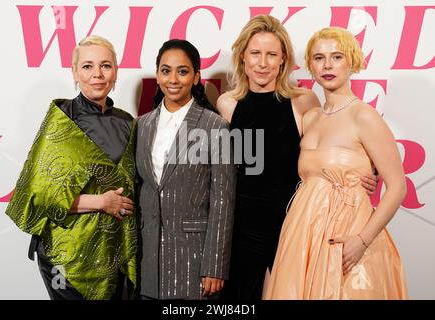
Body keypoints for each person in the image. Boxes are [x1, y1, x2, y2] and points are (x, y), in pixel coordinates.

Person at [217, 15, 378, 300]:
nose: (263, 63)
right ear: (243, 57)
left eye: (271, 55)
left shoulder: (303, 101)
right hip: (242, 227)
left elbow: (331, 147)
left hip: (293, 224)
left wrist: (365, 174)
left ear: (283, 61)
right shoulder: (227, 104)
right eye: (255, 53)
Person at [263, 27, 408, 299]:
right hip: (302, 233)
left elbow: (398, 187)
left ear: (352, 61)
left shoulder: (364, 116)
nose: (327, 65)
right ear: (310, 66)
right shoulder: (310, 118)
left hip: (349, 237)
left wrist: (362, 241)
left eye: (337, 57)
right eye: (319, 58)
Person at [5, 35, 137, 300]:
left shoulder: (128, 122)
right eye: (87, 66)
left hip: (111, 250)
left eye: (105, 66)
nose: (97, 74)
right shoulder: (62, 119)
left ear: (116, 72)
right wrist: (101, 202)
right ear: (75, 72)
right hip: (65, 253)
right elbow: (38, 196)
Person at [135, 39, 236, 300]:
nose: (173, 79)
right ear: (157, 75)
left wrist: (215, 264)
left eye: (183, 71)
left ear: (196, 77)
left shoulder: (215, 126)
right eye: (166, 70)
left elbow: (223, 202)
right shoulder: (141, 126)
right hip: (147, 262)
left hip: (194, 259)